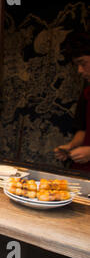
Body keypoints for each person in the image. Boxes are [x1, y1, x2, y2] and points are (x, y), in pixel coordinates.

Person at [54, 32, 90, 171]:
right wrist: (71, 147)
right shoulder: (87, 93)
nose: (80, 70)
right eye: (77, 65)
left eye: (83, 63)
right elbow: (83, 129)